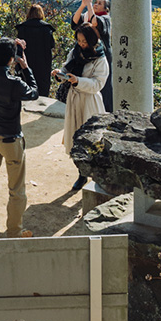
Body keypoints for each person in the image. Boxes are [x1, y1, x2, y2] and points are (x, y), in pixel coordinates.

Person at [0, 36, 38, 240]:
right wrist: (26, 66)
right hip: (11, 140)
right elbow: (34, 93)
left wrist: (9, 47)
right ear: (12, 59)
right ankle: (14, 232)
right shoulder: (14, 83)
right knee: (16, 189)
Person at [53, 23, 109, 193]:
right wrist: (59, 74)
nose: (81, 44)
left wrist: (78, 81)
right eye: (78, 40)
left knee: (91, 139)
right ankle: (82, 173)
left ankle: (96, 174)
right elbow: (66, 69)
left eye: (84, 41)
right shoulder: (75, 51)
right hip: (74, 98)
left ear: (92, 41)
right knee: (75, 136)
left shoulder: (100, 58)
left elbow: (98, 84)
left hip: (90, 101)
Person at [72, 0, 112, 111]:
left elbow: (95, 22)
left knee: (102, 84)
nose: (95, 5)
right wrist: (83, 5)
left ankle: (105, 110)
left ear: (106, 9)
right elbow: (75, 22)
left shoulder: (105, 18)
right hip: (86, 53)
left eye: (100, 4)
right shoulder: (86, 15)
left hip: (100, 53)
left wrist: (89, 5)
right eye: (95, 2)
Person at [16, 3, 55, 97]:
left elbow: (18, 48)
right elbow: (51, 45)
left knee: (25, 83)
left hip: (26, 61)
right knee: (42, 88)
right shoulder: (47, 29)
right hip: (43, 64)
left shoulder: (22, 28)